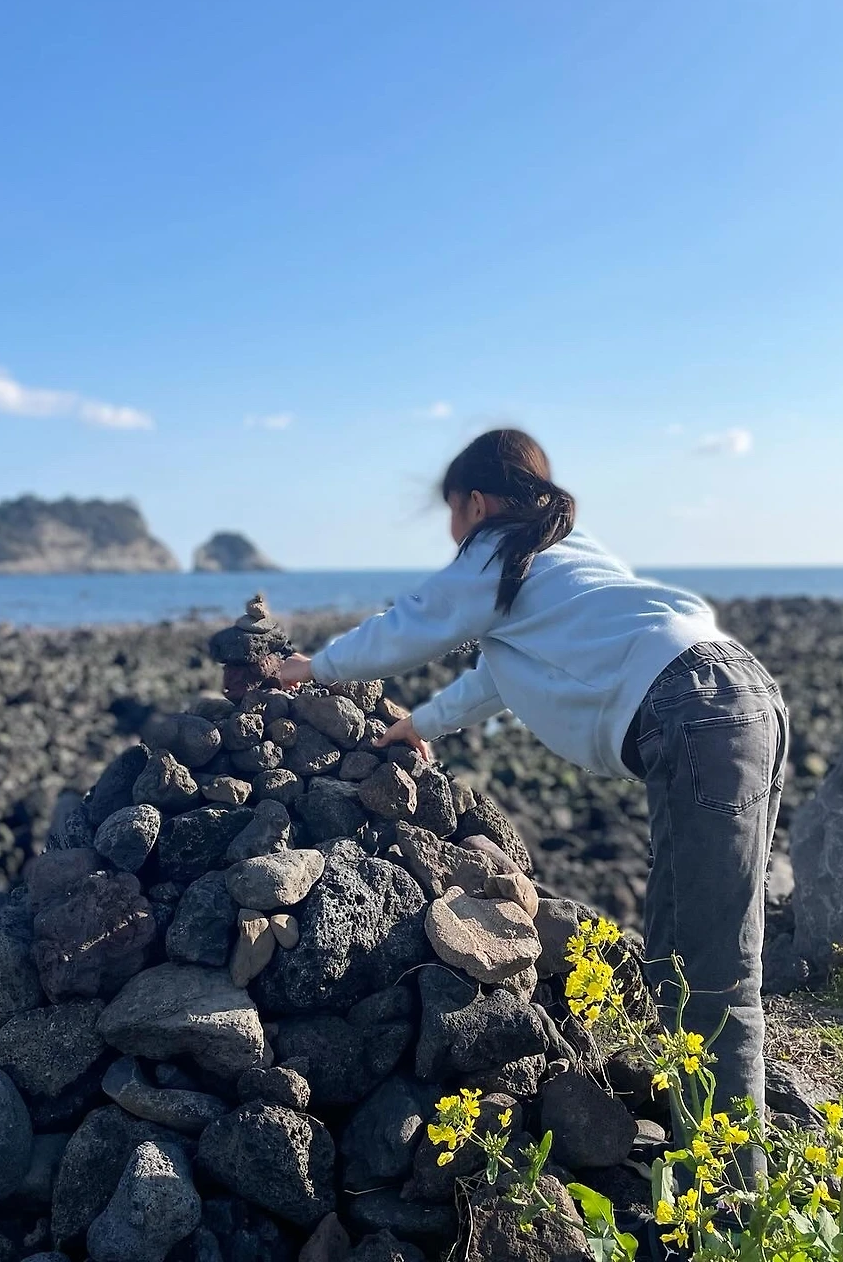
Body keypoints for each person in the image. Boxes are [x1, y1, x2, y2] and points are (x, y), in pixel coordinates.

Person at [278, 427, 788, 1180]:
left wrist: (311, 667)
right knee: (680, 944)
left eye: (453, 512)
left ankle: (732, 1197)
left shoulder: (493, 549)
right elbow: (502, 674)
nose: (452, 531)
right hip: (738, 698)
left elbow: (410, 626)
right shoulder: (559, 554)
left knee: (714, 968)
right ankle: (700, 1145)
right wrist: (424, 723)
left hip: (697, 714)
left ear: (478, 503)